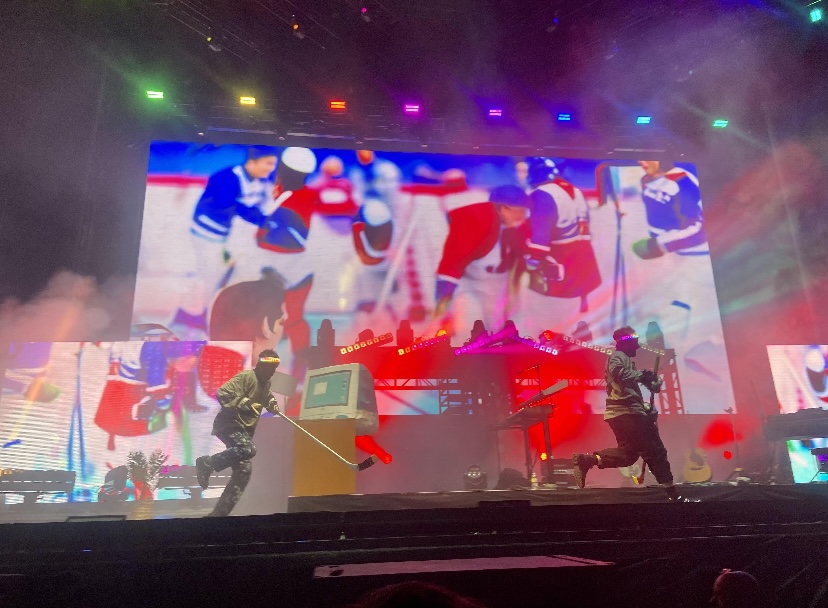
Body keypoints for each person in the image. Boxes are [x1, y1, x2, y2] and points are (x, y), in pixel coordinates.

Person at [572, 326, 686, 501]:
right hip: (627, 414)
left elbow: (631, 381)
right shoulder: (617, 357)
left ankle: (587, 460)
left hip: (623, 414)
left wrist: (652, 384)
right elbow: (620, 374)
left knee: (628, 456)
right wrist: (643, 376)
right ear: (625, 342)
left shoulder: (625, 360)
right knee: (655, 450)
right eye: (635, 343)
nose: (638, 347)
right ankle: (673, 495)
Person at [173, 147, 279, 337]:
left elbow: (255, 207)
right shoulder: (227, 178)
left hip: (226, 234)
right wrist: (263, 220)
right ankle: (193, 317)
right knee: (209, 277)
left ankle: (193, 315)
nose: (271, 168)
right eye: (268, 163)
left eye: (273, 164)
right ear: (252, 162)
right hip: (206, 232)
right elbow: (232, 207)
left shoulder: (261, 181)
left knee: (220, 277)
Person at [195, 349, 281, 517]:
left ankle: (218, 515)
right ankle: (207, 463)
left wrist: (271, 403)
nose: (272, 371)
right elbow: (222, 393)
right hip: (229, 424)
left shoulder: (266, 383)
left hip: (243, 429)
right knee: (248, 449)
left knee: (244, 471)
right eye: (270, 367)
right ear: (261, 365)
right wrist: (244, 403)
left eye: (275, 368)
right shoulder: (247, 376)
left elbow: (266, 396)